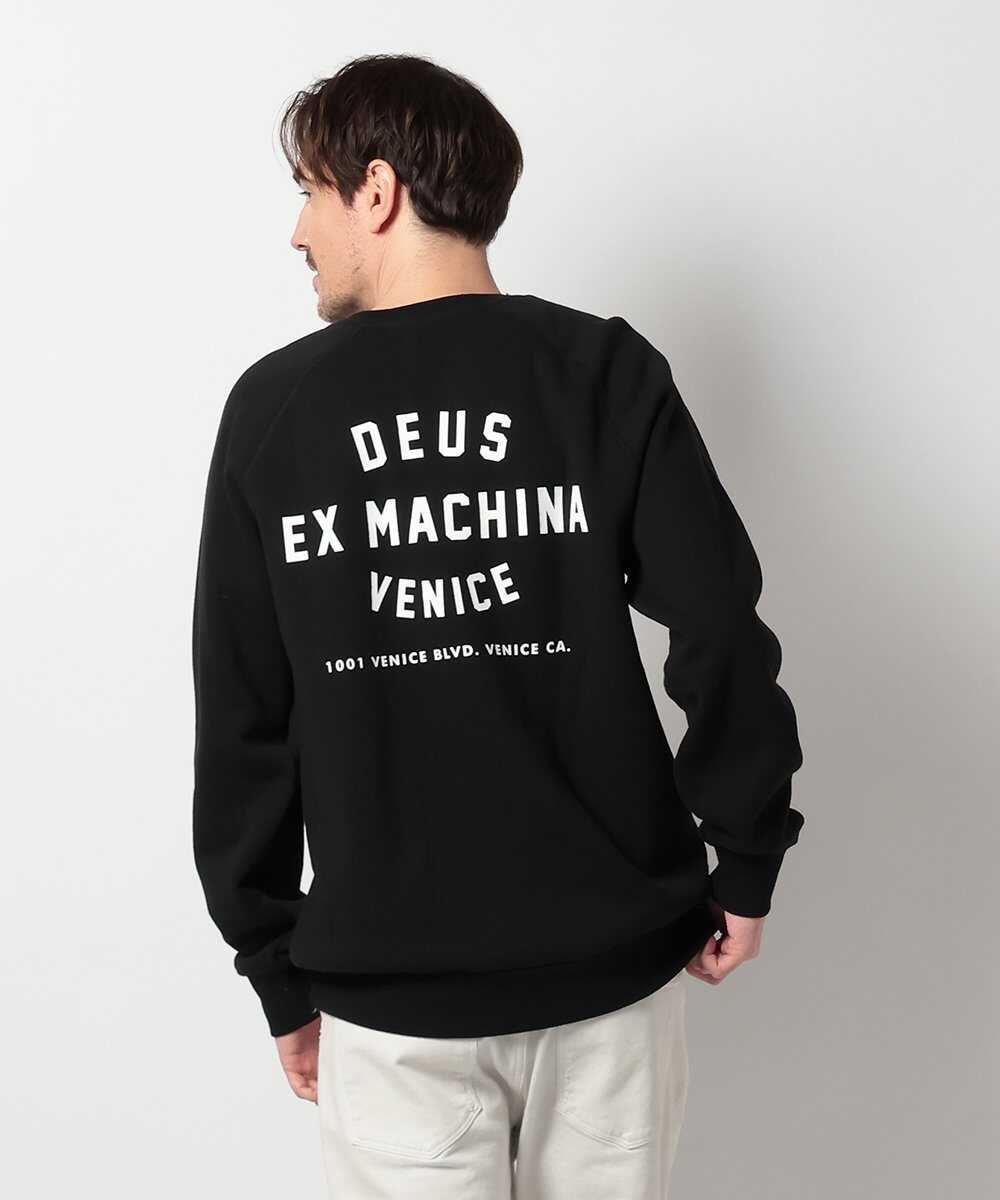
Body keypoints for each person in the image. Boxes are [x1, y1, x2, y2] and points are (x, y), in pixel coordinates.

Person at [191, 52, 805, 1199]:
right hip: (612, 973)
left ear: (376, 192)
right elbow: (720, 622)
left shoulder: (277, 411)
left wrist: (272, 961)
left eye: (310, 192)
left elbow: (243, 713)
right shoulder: (599, 372)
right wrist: (746, 855)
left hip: (392, 993)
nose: (298, 231)